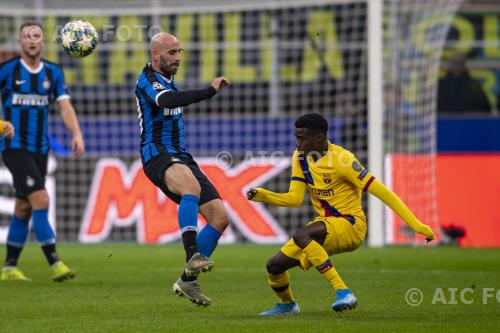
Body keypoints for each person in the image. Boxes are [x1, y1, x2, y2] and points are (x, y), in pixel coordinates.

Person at [246, 113, 435, 316]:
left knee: (302, 235)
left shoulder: (343, 160)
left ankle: (343, 291)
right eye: (296, 137)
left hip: (351, 225)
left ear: (319, 138)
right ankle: (288, 306)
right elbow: (294, 199)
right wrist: (263, 196)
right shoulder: (300, 158)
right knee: (274, 266)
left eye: (301, 138)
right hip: (325, 225)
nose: (297, 143)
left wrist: (416, 224)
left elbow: (384, 192)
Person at [135, 32, 231, 306]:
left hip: (181, 155)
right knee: (191, 187)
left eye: (179, 52)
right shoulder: (147, 81)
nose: (178, 58)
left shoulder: (167, 78)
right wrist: (208, 91)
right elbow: (166, 101)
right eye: (171, 53)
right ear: (155, 55)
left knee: (220, 218)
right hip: (156, 154)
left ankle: (187, 281)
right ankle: (193, 254)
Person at [0, 22, 85, 282]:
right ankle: (55, 261)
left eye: (36, 35)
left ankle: (10, 267)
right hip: (14, 147)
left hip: (40, 149)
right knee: (41, 200)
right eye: (27, 36)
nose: (32, 40)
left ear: (43, 41)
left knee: (24, 207)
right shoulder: (7, 70)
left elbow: (65, 106)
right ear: (20, 42)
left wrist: (76, 133)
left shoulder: (53, 72)